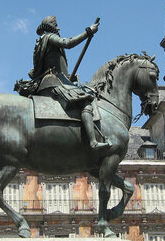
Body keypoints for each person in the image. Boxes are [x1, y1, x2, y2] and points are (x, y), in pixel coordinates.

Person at [29, 15, 109, 151]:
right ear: (52, 28)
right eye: (56, 26)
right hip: (54, 82)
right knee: (85, 101)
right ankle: (92, 142)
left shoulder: (42, 41)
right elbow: (68, 43)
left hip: (53, 80)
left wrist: (68, 78)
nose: (58, 30)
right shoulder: (50, 37)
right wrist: (88, 32)